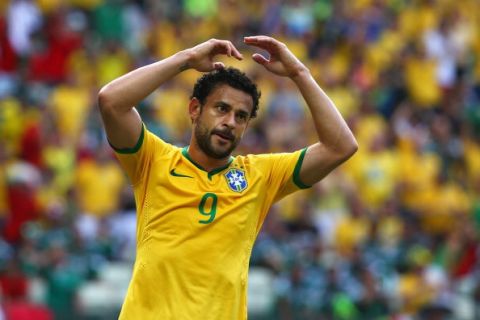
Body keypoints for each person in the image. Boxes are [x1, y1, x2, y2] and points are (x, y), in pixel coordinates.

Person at [97, 35, 358, 319]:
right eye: (221, 109)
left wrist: (299, 74)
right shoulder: (153, 160)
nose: (230, 122)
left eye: (241, 116)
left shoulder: (260, 175)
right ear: (195, 109)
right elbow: (111, 101)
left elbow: (340, 147)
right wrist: (184, 59)